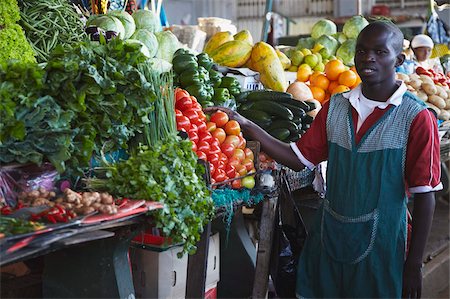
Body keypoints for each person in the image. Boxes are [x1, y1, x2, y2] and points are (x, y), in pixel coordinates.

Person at [206, 21, 442, 298]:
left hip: (383, 247)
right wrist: (246, 125)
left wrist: (413, 264)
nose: (368, 59)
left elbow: (425, 196)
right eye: (362, 51)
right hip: (330, 239)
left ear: (399, 59)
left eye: (380, 52)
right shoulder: (335, 108)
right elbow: (298, 158)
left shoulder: (416, 118)